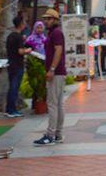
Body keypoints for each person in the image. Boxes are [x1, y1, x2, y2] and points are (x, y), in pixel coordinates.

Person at [33, 8, 66, 145]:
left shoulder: (56, 33)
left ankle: (51, 134)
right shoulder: (53, 33)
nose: (46, 21)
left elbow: (58, 51)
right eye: (45, 19)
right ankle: (57, 133)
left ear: (55, 20)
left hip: (56, 72)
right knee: (57, 104)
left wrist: (52, 69)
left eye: (48, 19)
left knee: (53, 104)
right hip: (58, 72)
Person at [5, 14, 32, 117]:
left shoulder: (10, 36)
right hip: (17, 65)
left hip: (10, 64)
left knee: (11, 86)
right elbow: (20, 51)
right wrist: (28, 50)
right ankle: (12, 110)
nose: (25, 24)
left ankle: (9, 108)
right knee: (14, 87)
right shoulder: (18, 37)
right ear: (20, 24)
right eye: (24, 22)